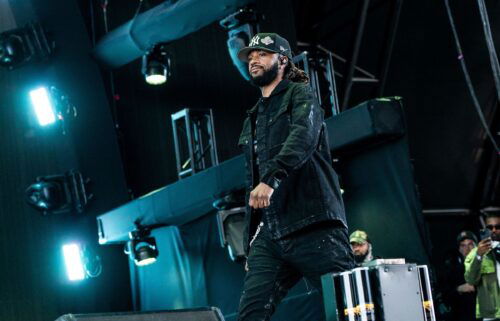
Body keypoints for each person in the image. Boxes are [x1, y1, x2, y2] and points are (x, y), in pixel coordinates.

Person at [235, 33, 354, 321]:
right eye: (251, 56)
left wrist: (272, 178)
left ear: (283, 60)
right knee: (250, 315)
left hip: (314, 225)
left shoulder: (301, 93)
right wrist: (253, 238)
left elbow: (303, 136)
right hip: (272, 234)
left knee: (348, 309)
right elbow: (253, 181)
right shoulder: (252, 117)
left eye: (262, 54)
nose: (254, 60)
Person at [464, 214, 500, 320]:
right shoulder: (474, 254)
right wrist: (479, 256)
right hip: (491, 313)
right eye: (490, 227)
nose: (493, 230)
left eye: (498, 227)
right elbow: (471, 280)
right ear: (484, 229)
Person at [440, 231, 478, 321]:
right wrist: (459, 289)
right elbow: (445, 296)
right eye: (463, 245)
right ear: (459, 249)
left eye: (470, 244)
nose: (467, 249)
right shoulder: (453, 272)